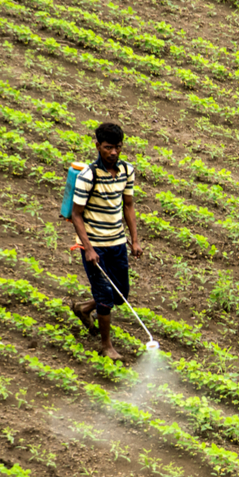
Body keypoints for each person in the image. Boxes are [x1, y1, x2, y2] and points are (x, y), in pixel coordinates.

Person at [69, 122, 142, 360]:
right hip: (95, 245)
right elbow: (76, 215)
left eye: (117, 147)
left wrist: (134, 240)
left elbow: (128, 205)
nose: (113, 152)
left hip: (117, 242)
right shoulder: (88, 176)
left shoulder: (127, 170)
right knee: (104, 298)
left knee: (120, 295)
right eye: (108, 147)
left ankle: (83, 308)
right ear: (98, 146)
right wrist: (88, 248)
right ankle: (106, 346)